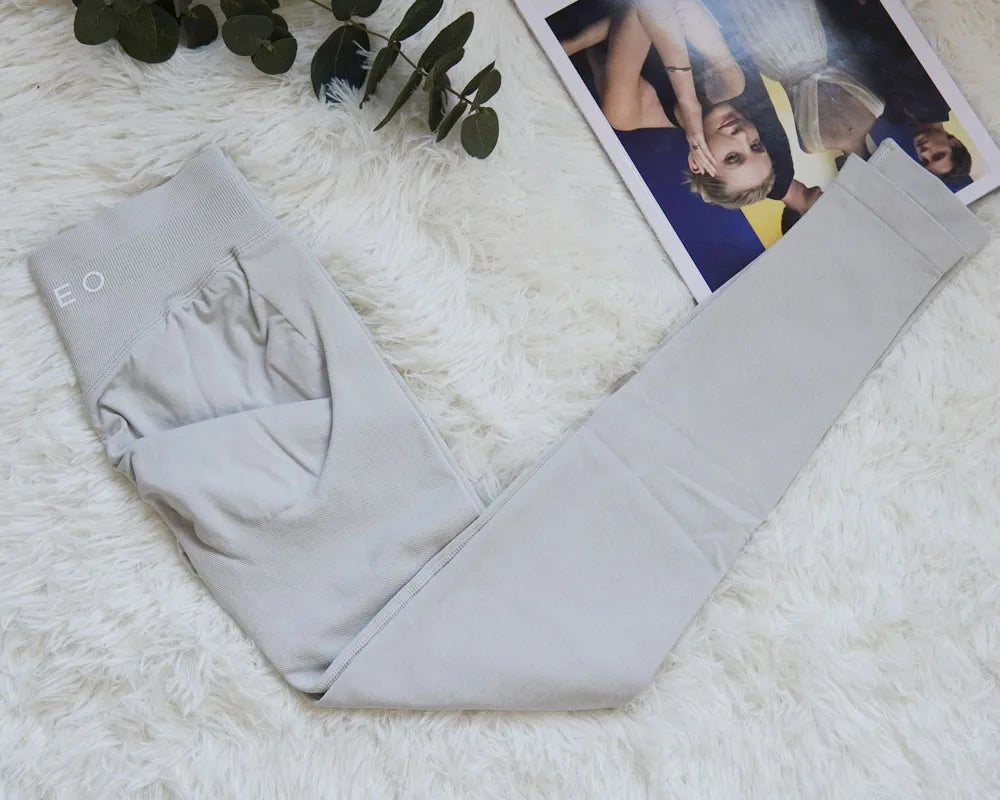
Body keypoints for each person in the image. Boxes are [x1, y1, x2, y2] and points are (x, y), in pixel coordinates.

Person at [561, 2, 778, 209]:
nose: (742, 135)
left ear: (697, 163)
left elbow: (647, 6)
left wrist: (688, 101)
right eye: (755, 145)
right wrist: (687, 100)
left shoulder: (627, 114)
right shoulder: (730, 84)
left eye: (732, 157)